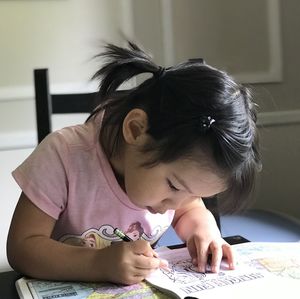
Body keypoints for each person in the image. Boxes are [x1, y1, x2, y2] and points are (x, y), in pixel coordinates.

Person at [7, 41, 261, 285]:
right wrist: (99, 264)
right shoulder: (63, 157)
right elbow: (22, 247)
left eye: (195, 194)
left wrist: (203, 229)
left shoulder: (178, 189)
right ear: (136, 130)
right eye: (173, 186)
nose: (178, 204)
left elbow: (189, 209)